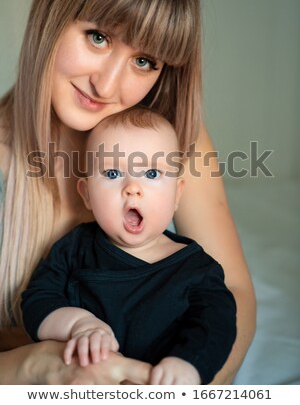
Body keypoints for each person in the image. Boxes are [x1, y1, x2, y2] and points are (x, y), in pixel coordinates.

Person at [0, 0, 255, 385]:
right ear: (51, 13)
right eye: (97, 37)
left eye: (144, 60)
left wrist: (185, 385)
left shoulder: (175, 140)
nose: (107, 84)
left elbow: (231, 293)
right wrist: (35, 369)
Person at [22, 107, 237, 385]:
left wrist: (188, 365)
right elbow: (38, 301)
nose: (132, 187)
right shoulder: (74, 249)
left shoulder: (197, 269)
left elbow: (216, 326)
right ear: (86, 193)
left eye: (151, 173)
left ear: (176, 194)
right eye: (112, 174)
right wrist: (78, 324)